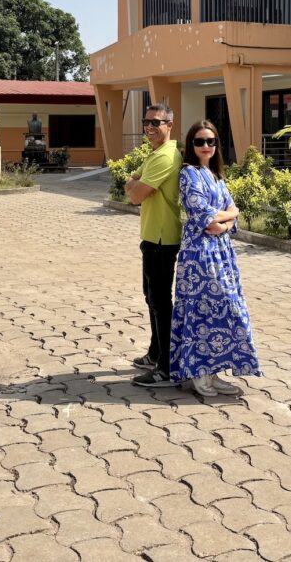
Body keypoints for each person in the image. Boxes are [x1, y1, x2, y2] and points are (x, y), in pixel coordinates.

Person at [169, 119, 261, 397]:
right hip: (199, 256)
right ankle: (197, 372)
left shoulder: (217, 175)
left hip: (221, 253)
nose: (206, 146)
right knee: (202, 310)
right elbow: (203, 217)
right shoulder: (188, 174)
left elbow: (233, 209)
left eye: (211, 141)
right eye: (200, 141)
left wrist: (225, 219)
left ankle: (214, 369)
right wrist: (224, 219)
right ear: (191, 145)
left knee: (225, 309)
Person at [125, 102, 183, 387]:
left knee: (160, 302)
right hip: (151, 237)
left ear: (169, 125)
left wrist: (134, 186)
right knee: (152, 298)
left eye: (156, 123)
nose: (149, 127)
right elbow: (132, 183)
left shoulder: (166, 157)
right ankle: (155, 352)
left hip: (162, 238)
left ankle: (166, 367)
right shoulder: (155, 154)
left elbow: (136, 194)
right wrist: (134, 184)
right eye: (146, 122)